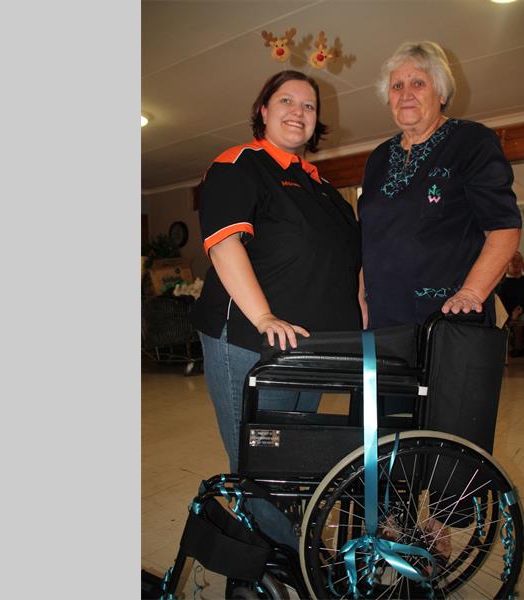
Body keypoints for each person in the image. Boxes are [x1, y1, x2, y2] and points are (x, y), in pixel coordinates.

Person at [189, 70, 362, 546]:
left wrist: (359, 316)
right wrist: (264, 316)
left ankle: (284, 555)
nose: (298, 112)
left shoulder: (324, 189)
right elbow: (224, 244)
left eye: (309, 106)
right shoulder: (239, 164)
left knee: (294, 459)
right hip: (252, 343)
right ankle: (285, 564)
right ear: (263, 111)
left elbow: (349, 263)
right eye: (286, 101)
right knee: (260, 466)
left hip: (309, 350)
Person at [358, 40, 522, 331]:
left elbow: (504, 226)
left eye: (418, 83)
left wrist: (472, 293)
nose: (405, 94)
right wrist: (361, 293)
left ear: (442, 93)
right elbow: (368, 237)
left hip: (448, 317)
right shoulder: (378, 158)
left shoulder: (471, 141)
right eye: (397, 86)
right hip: (382, 318)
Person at [497, 251, 524, 356]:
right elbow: (500, 306)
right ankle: (518, 347)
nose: (516, 263)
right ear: (507, 264)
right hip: (513, 314)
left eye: (518, 260)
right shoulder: (502, 285)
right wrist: (511, 315)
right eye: (513, 260)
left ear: (523, 264)